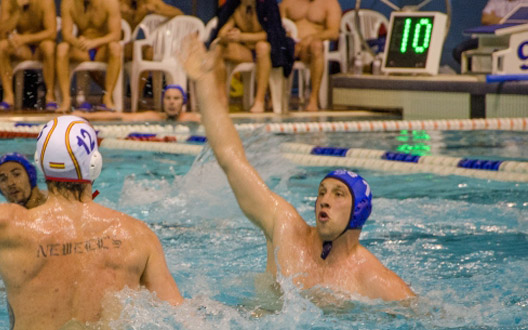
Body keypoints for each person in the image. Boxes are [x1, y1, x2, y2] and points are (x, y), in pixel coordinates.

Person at [0, 48, 182, 328]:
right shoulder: (138, 237)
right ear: (95, 165)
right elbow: (183, 318)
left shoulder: (10, 226)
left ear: (39, 164)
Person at [178, 34, 415, 301]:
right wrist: (205, 82)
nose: (324, 200)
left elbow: (429, 317)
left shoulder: (372, 277)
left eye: (338, 194)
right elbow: (231, 159)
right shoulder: (285, 227)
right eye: (322, 191)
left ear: (358, 211)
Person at [56, 0, 123, 113]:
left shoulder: (110, 3)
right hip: (82, 49)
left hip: (101, 48)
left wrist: (95, 42)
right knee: (61, 48)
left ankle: (107, 96)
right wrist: (78, 42)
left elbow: (116, 34)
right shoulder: (69, 3)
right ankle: (66, 99)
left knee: (115, 48)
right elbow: (66, 34)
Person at [0, 0, 58, 111]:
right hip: (22, 49)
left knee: (49, 47)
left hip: (40, 48)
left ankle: (50, 96)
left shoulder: (46, 2)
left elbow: (52, 33)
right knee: (1, 46)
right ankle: (9, 96)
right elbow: (2, 32)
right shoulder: (8, 2)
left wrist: (26, 38)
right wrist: (18, 11)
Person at [279, 0, 340, 111]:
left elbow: (333, 32)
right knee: (272, 47)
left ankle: (313, 99)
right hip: (289, 45)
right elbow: (277, 25)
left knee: (317, 46)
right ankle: (272, 98)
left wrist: (310, 38)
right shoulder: (288, 2)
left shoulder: (330, 3)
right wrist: (289, 41)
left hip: (309, 49)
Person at [214, 0, 273, 113]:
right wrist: (228, 35)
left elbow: (271, 34)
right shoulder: (234, 8)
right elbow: (221, 33)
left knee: (262, 47)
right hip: (247, 52)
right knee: (219, 49)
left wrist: (242, 37)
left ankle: (259, 101)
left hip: (267, 52)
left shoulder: (267, 5)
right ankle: (222, 98)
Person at [72, 84, 200, 122]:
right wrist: (88, 116)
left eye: (176, 99)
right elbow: (120, 116)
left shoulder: (192, 118)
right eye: (168, 98)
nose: (171, 102)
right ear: (163, 101)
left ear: (183, 102)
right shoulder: (154, 117)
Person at [453, 0, 528, 64]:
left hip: (514, 41)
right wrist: (510, 21)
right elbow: (486, 19)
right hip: (490, 39)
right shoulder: (496, 1)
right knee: (459, 50)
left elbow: (523, 23)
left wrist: (496, 19)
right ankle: (476, 71)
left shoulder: (525, 2)